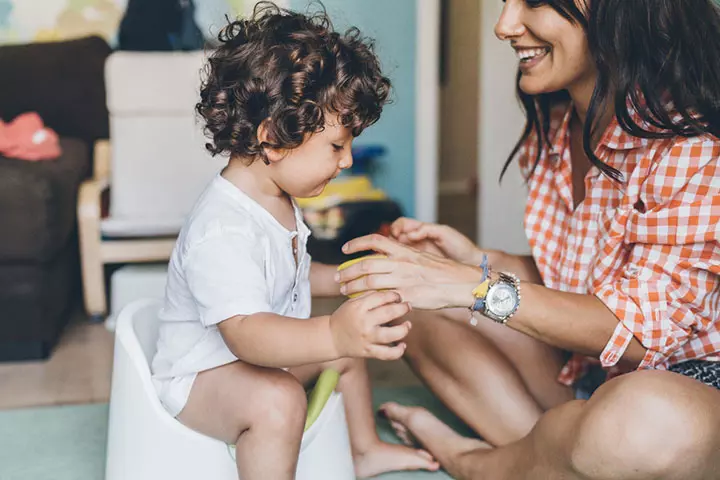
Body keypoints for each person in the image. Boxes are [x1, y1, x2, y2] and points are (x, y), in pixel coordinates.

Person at [336, 0, 720, 478]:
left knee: (647, 420)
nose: (504, 26)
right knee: (398, 306)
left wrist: (473, 286)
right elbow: (588, 283)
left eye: (534, 2)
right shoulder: (559, 128)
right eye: (504, 3)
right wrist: (477, 261)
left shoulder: (692, 144)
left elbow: (642, 334)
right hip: (591, 379)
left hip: (685, 390)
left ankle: (477, 462)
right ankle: (557, 457)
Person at [150, 4, 440, 479]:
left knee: (345, 353)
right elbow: (246, 333)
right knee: (279, 399)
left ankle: (362, 451)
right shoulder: (223, 227)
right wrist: (332, 332)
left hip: (252, 361)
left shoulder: (275, 197)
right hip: (200, 380)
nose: (347, 161)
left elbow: (294, 275)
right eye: (336, 146)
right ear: (273, 138)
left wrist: (359, 278)